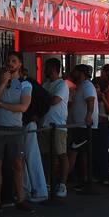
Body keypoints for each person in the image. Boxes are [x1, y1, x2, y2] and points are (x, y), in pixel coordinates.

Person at [0, 53, 33, 212]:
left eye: (14, 61)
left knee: (18, 163)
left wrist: (1, 104)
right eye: (8, 61)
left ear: (19, 64)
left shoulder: (25, 84)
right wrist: (3, 82)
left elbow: (23, 107)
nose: (10, 64)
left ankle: (20, 198)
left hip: (15, 128)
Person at [16, 56, 48, 203]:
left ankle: (39, 190)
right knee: (21, 158)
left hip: (28, 123)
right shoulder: (12, 83)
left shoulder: (29, 84)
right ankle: (27, 189)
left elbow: (46, 99)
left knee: (31, 155)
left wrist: (37, 115)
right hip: (19, 124)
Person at [39, 58, 70, 198]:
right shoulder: (45, 85)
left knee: (61, 154)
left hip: (58, 125)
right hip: (44, 125)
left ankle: (63, 184)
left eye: (46, 67)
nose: (44, 70)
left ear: (53, 68)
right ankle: (47, 182)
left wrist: (44, 100)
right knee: (46, 155)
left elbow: (54, 100)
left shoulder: (62, 85)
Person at [68, 64, 98, 191]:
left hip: (84, 126)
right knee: (82, 153)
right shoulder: (81, 86)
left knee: (74, 151)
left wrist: (89, 116)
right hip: (80, 125)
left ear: (81, 73)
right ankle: (83, 179)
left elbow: (90, 100)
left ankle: (65, 179)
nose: (73, 74)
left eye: (75, 72)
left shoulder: (87, 85)